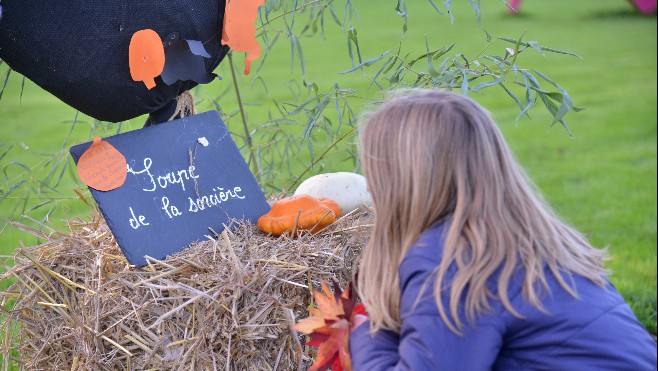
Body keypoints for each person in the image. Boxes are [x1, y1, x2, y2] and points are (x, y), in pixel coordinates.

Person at [350, 91, 657, 370]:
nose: (370, 186)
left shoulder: (453, 260)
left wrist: (366, 328)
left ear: (404, 181)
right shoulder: (533, 240)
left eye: (375, 172)